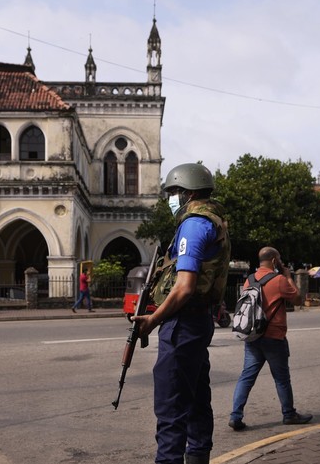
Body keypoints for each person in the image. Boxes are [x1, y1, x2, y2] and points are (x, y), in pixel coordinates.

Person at [131, 163, 230, 464]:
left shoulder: (193, 224)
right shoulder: (215, 220)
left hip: (183, 324)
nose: (171, 198)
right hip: (198, 322)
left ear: (187, 192)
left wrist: (152, 320)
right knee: (197, 399)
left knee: (171, 408)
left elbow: (185, 287)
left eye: (173, 192)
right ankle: (198, 457)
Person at [229, 247, 312, 432]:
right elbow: (298, 299)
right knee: (282, 379)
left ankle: (235, 416)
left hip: (252, 336)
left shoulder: (248, 280)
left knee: (246, 377)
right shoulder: (279, 280)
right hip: (274, 337)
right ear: (274, 260)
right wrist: (288, 275)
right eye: (279, 259)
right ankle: (289, 414)